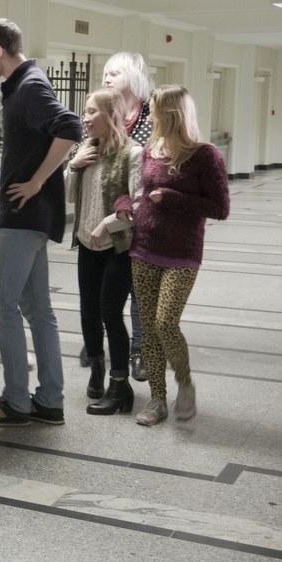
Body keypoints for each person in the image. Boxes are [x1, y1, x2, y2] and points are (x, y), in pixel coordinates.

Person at [0, 19, 82, 428]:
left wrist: (36, 180)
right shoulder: (25, 85)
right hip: (31, 216)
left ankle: (16, 401)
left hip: (23, 216)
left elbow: (71, 127)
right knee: (37, 308)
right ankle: (49, 399)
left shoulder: (30, 86)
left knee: (1, 305)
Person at [114, 85, 229, 426]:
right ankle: (157, 400)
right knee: (148, 329)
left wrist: (176, 199)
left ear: (173, 114)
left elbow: (220, 208)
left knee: (166, 323)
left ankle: (184, 383)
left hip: (182, 252)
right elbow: (134, 189)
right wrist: (123, 205)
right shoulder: (150, 148)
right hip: (144, 247)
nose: (150, 116)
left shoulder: (206, 155)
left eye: (156, 111)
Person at [66, 88, 143, 415]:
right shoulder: (87, 149)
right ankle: (97, 370)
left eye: (91, 112)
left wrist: (108, 223)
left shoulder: (133, 153)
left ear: (111, 115)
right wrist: (74, 165)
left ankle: (119, 384)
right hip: (86, 242)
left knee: (111, 313)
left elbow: (139, 204)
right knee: (88, 311)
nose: (84, 118)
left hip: (118, 247)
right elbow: (70, 197)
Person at [101, 52, 155, 382]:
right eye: (105, 73)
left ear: (133, 78)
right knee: (107, 288)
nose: (106, 79)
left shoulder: (156, 116)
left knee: (140, 290)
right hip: (108, 216)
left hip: (146, 216)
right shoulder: (100, 114)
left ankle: (139, 351)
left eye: (114, 73)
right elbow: (87, 158)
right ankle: (109, 343)